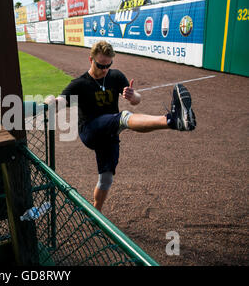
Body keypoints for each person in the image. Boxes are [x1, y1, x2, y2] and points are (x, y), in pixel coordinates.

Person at [44, 41, 196, 212]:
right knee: (123, 118)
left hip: (110, 133)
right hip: (90, 130)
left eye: (108, 65)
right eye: (100, 65)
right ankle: (171, 121)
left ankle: (96, 213)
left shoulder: (115, 76)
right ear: (90, 60)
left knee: (106, 178)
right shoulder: (79, 83)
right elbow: (60, 102)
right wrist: (51, 100)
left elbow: (137, 100)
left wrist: (133, 96)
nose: (104, 69)